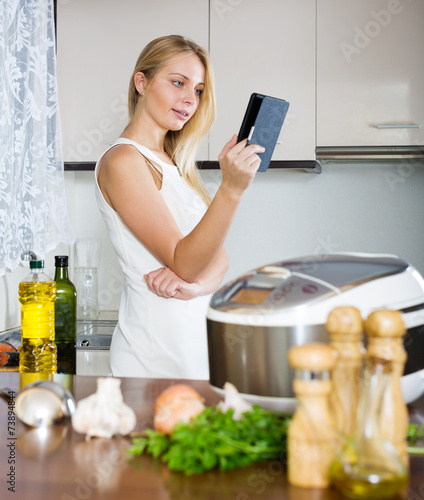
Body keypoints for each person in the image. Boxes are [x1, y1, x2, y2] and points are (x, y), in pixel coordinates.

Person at [95, 35, 264, 379]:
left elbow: (217, 259)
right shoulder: (123, 160)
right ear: (141, 82)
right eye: (178, 83)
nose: (190, 99)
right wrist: (231, 190)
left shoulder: (173, 164)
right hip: (152, 354)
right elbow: (188, 262)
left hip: (193, 348)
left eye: (198, 90)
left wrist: (196, 287)